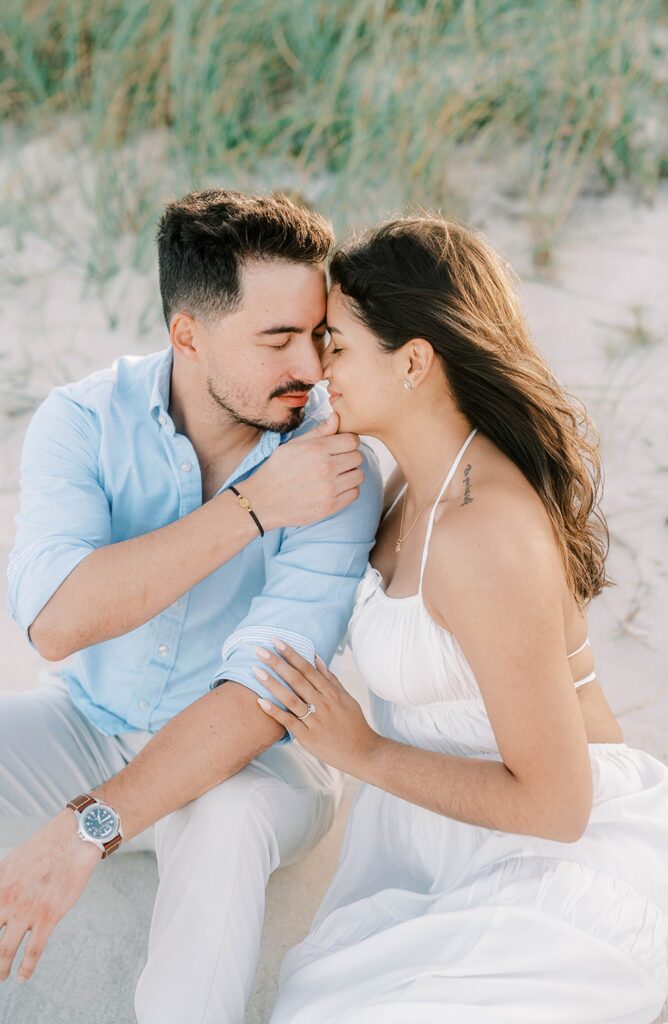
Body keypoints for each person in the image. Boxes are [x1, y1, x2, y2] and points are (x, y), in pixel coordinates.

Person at [253, 216, 668, 1024]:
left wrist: (364, 752)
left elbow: (558, 805)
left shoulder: (481, 533)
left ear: (413, 360)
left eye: (335, 345)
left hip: (560, 865)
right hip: (446, 852)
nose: (316, 369)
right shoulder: (400, 490)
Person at [0, 189, 383, 1024]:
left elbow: (262, 696)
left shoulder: (336, 463)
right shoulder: (82, 420)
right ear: (188, 335)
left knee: (232, 818)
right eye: (277, 339)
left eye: (317, 335)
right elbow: (57, 622)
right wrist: (249, 509)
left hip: (254, 761)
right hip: (87, 724)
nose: (311, 368)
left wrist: (83, 830)